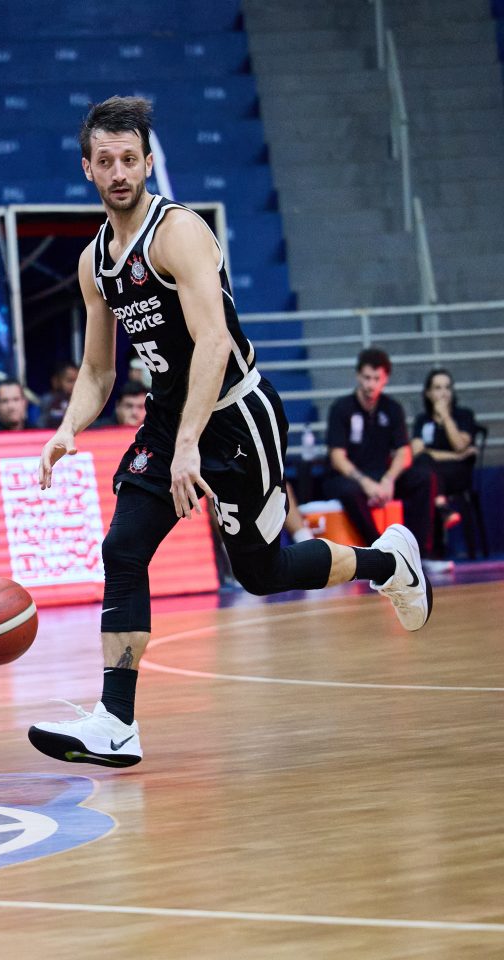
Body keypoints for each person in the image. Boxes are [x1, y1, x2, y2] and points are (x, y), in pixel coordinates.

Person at [27, 97, 433, 769]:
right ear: (87, 169)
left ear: (147, 163)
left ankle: (388, 562)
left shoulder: (178, 232)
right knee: (122, 548)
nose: (119, 172)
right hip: (169, 417)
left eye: (129, 159)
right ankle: (116, 722)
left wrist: (190, 445)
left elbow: (213, 342)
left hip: (237, 415)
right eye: (106, 161)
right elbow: (99, 370)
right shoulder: (94, 262)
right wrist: (68, 427)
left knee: (261, 573)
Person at [323, 348, 436, 565]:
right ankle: (380, 554)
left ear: (385, 379)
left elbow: (404, 452)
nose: (371, 384)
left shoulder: (392, 408)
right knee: (349, 491)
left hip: (381, 474)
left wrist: (389, 479)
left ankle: (420, 553)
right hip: (348, 477)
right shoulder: (342, 408)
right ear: (358, 376)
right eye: (366, 378)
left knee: (424, 478)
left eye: (377, 379)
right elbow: (337, 457)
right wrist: (366, 483)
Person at [411, 368, 478, 567]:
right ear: (428, 393)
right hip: (432, 473)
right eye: (438, 388)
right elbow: (416, 452)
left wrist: (446, 417)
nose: (443, 393)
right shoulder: (422, 420)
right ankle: (442, 507)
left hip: (457, 473)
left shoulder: (463, 415)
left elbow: (460, 444)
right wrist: (454, 455)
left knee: (428, 472)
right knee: (425, 468)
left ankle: (441, 507)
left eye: (447, 388)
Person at [37, 360, 79, 429]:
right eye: (70, 381)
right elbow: (41, 425)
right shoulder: (48, 400)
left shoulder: (82, 400)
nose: (75, 385)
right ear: (57, 381)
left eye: (78, 381)